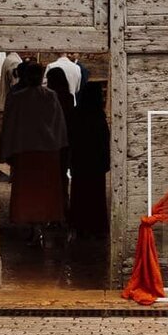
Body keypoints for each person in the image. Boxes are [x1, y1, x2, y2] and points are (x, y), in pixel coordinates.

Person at [0, 59, 68, 236]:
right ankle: (42, 223)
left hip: (25, 150)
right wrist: (60, 146)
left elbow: (9, 125)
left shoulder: (16, 98)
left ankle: (32, 226)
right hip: (48, 150)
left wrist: (7, 149)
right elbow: (59, 124)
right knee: (45, 190)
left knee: (28, 191)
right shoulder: (50, 96)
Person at [67, 79, 110, 237]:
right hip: (96, 163)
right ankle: (96, 226)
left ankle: (79, 225)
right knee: (96, 195)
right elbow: (105, 141)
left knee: (80, 194)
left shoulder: (76, 114)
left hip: (80, 161)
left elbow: (70, 137)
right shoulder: (99, 116)